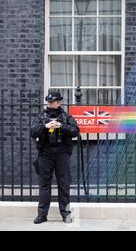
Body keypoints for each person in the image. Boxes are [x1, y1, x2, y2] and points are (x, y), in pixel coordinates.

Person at [30, 91, 80, 224]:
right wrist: (45, 126)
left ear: (59, 102)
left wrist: (61, 126)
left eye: (53, 102)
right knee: (44, 185)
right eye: (49, 102)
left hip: (62, 154)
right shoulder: (41, 117)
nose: (51, 104)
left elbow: (75, 131)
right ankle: (42, 215)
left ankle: (66, 214)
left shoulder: (66, 116)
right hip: (45, 154)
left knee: (64, 185)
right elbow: (33, 132)